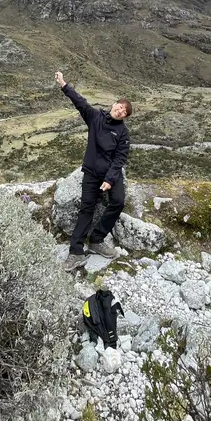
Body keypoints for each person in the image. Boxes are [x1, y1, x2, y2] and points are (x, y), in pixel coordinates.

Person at [55, 71, 131, 272]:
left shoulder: (123, 133)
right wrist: (64, 85)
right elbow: (79, 102)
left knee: (118, 201)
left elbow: (120, 158)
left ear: (125, 117)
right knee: (86, 209)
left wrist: (110, 179)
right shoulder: (95, 117)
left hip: (110, 176)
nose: (120, 111)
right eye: (120, 107)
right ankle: (76, 252)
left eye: (124, 112)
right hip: (90, 173)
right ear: (113, 104)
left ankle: (97, 239)